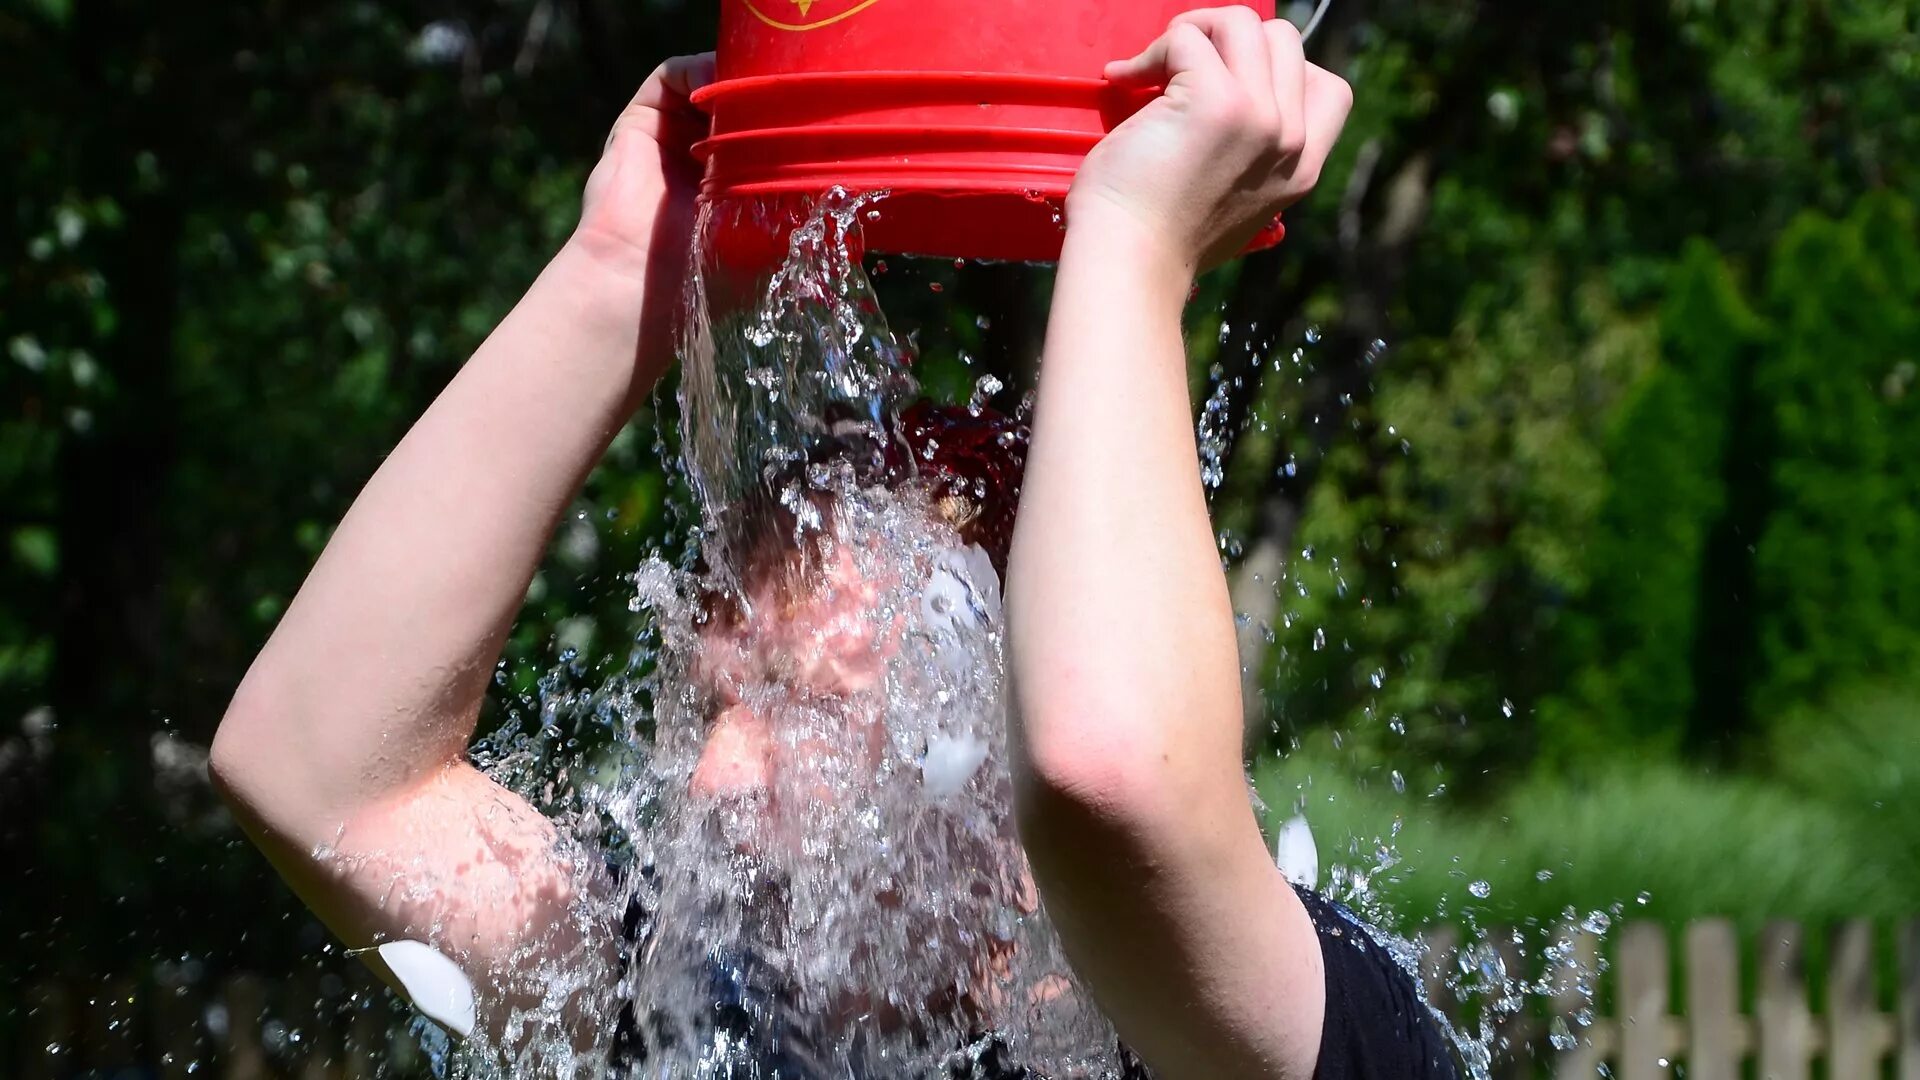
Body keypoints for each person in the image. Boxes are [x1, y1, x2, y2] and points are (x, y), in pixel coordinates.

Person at [209, 8, 1454, 1078]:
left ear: (996, 703)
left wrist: (1131, 244)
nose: (712, 781)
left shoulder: (1266, 1025)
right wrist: (611, 277)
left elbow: (1110, 780)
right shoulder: (696, 1002)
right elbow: (321, 778)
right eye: (708, 712)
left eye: (800, 710)